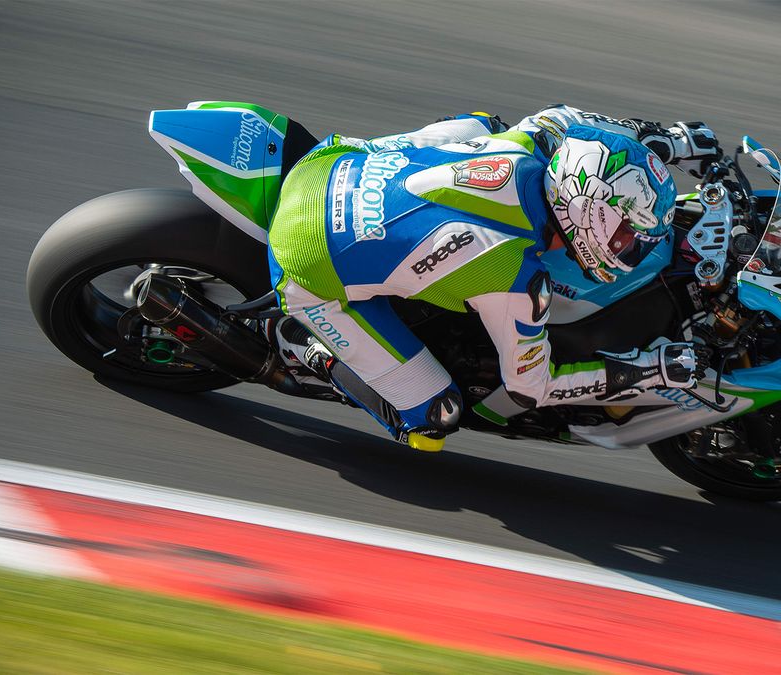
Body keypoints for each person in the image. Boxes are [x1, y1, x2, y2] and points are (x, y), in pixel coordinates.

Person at [267, 105, 720, 451]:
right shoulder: (512, 275)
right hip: (306, 260)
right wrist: (649, 371)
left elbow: (579, 121)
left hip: (331, 163)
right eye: (626, 234)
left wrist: (672, 142)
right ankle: (301, 343)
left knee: (483, 123)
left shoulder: (536, 141)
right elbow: (532, 387)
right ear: (586, 215)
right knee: (434, 419)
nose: (633, 245)